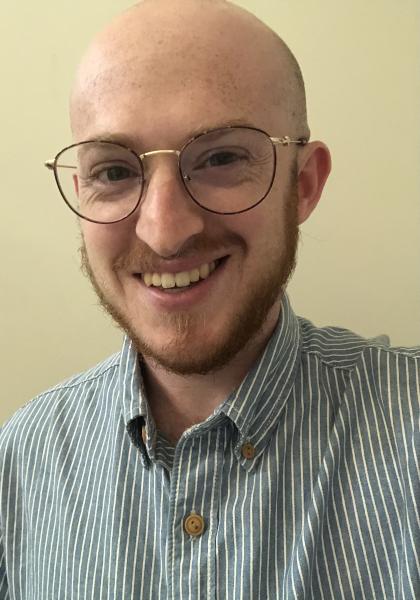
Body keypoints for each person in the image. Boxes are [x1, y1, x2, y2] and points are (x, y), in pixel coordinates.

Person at [0, 0, 418, 597]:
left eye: (221, 158)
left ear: (303, 186)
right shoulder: (21, 461)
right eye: (115, 172)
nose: (164, 231)